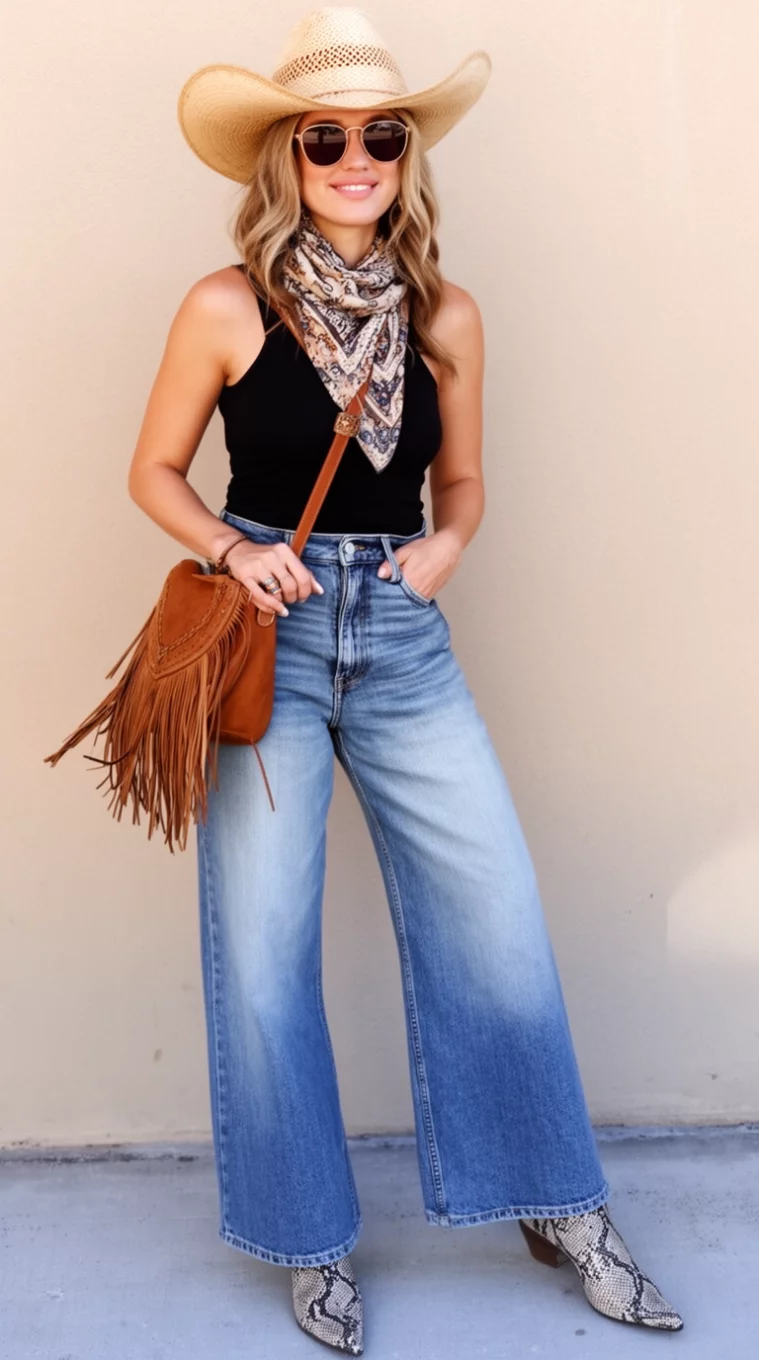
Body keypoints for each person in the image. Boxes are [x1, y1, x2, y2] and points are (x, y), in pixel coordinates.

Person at [127, 8, 684, 1353]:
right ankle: (308, 1240)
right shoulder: (224, 306)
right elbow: (149, 472)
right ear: (287, 157)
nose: (357, 156)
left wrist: (445, 547)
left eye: (383, 134)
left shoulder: (445, 313)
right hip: (275, 634)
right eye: (327, 138)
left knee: (491, 917)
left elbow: (465, 478)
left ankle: (559, 1202)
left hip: (402, 630)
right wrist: (230, 551)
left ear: (407, 153)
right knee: (263, 951)